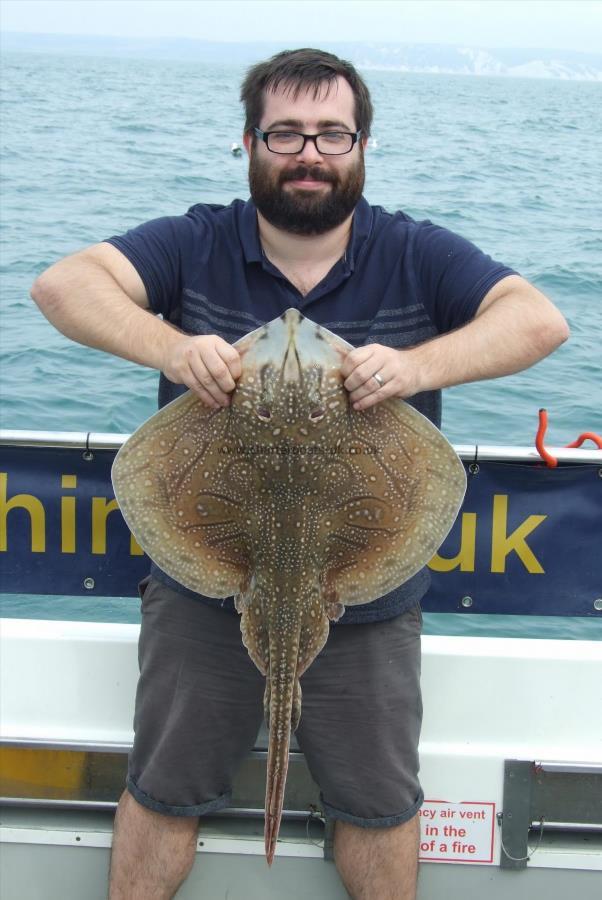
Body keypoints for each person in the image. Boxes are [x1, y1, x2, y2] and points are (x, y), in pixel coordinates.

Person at [31, 48, 568, 900]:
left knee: (378, 804)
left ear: (362, 146)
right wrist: (176, 348)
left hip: (362, 589)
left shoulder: (414, 250)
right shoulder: (195, 241)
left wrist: (414, 370)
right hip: (206, 582)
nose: (309, 152)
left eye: (331, 134)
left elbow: (538, 322)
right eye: (286, 133)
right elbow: (63, 286)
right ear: (250, 142)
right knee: (163, 788)